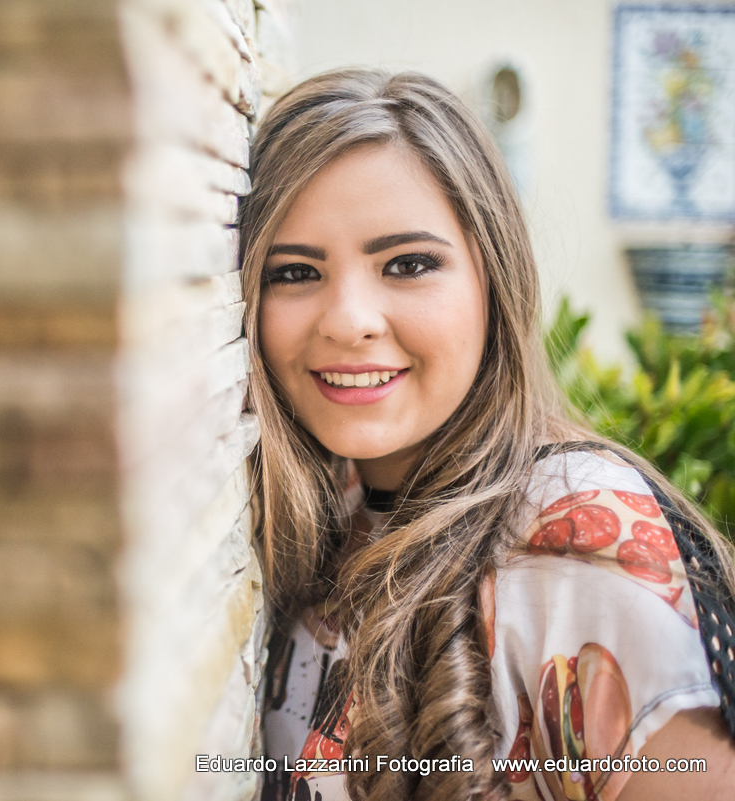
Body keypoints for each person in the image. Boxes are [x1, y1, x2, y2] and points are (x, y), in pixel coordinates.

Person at [240, 69, 735, 801]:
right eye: (295, 270)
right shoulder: (327, 517)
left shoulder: (578, 538)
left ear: (493, 279)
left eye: (407, 264)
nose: (348, 319)